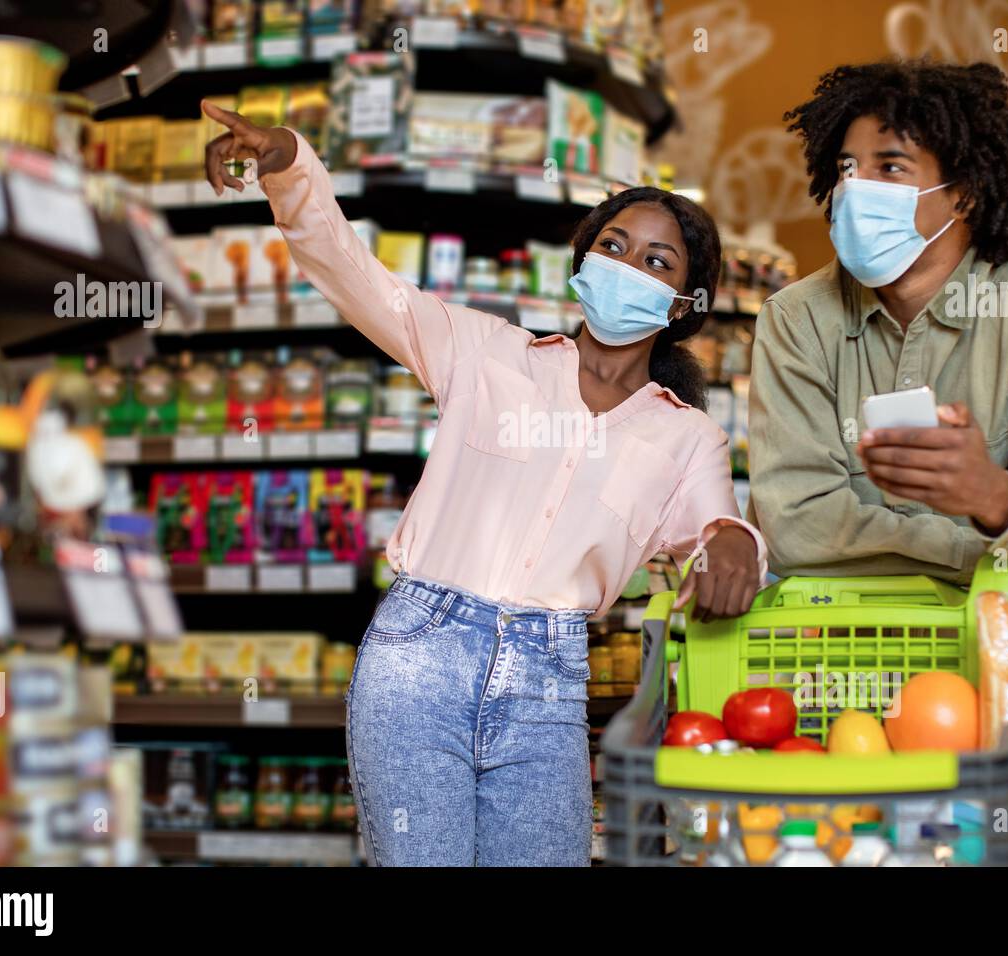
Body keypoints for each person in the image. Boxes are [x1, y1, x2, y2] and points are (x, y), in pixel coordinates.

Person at [200, 100, 766, 866]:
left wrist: (736, 542)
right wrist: (291, 167)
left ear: (682, 305)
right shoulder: (485, 354)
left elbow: (716, 531)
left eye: (657, 263)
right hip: (419, 657)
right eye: (614, 245)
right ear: (582, 263)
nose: (628, 267)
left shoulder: (687, 437)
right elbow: (355, 277)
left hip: (549, 682)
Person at [748, 60, 1008, 594]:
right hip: (841, 664)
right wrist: (984, 544)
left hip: (1002, 661)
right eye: (848, 168)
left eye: (891, 168)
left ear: (964, 193)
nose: (856, 190)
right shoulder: (796, 318)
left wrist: (990, 497)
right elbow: (794, 531)